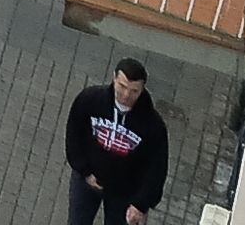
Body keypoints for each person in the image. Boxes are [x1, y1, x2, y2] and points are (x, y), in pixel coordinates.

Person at [58, 60, 169, 225]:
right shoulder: (90, 100)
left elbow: (157, 168)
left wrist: (140, 204)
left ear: (142, 89)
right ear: (114, 78)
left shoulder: (153, 125)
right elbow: (74, 135)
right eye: (122, 86)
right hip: (87, 181)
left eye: (134, 91)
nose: (126, 96)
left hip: (125, 193)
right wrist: (85, 170)